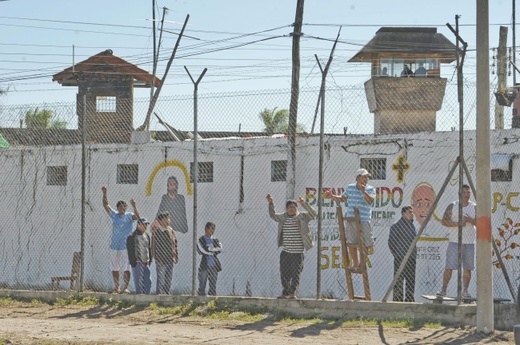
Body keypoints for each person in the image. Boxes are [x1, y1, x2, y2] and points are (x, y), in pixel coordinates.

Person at [267, 194, 317, 299]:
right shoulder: (283, 217)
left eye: (294, 207)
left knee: (296, 274)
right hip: (286, 252)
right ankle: (285, 292)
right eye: (290, 207)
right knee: (284, 273)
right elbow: (273, 215)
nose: (292, 209)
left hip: (298, 253)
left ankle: (293, 293)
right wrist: (271, 203)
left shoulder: (302, 217)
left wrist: (304, 204)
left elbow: (314, 213)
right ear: (286, 209)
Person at [325, 168, 376, 272]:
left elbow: (370, 201)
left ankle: (362, 265)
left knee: (365, 243)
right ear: (357, 178)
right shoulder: (350, 187)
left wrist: (364, 192)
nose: (366, 179)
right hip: (351, 218)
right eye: (364, 176)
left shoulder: (370, 189)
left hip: (364, 219)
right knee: (351, 242)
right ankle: (356, 264)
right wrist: (332, 196)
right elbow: (343, 198)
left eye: (367, 177)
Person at [436, 184, 476, 299]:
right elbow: (444, 221)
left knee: (467, 268)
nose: (467, 195)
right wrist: (458, 224)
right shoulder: (453, 206)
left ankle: (465, 291)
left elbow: (479, 223)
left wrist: (471, 220)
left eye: (468, 192)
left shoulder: (474, 207)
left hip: (469, 242)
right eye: (464, 192)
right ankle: (443, 290)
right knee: (449, 266)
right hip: (454, 241)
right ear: (459, 194)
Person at [102, 186, 139, 294]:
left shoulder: (129, 216)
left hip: (125, 246)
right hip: (114, 246)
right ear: (117, 208)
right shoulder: (115, 215)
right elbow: (106, 205)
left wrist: (134, 206)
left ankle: (125, 287)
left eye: (124, 206)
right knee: (115, 267)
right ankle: (117, 287)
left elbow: (137, 216)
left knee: (126, 267)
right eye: (120, 206)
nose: (123, 208)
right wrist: (105, 193)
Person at [388, 206, 417, 302]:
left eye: (412, 212)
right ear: (403, 213)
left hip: (411, 258)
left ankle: (409, 299)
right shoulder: (397, 226)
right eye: (409, 212)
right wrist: (397, 254)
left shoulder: (412, 226)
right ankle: (398, 300)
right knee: (399, 280)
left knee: (410, 280)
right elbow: (391, 243)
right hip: (400, 257)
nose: (412, 214)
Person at [152, 211, 179, 294]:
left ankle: (167, 294)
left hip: (170, 259)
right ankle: (159, 296)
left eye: (168, 218)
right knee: (161, 280)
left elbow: (175, 243)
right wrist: (157, 259)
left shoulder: (171, 230)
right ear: (160, 221)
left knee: (168, 279)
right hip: (161, 261)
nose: (168, 220)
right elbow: (153, 247)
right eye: (165, 219)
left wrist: (176, 256)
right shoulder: (157, 232)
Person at [127, 217, 152, 294]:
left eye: (146, 225)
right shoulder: (132, 236)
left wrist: (150, 260)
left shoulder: (147, 235)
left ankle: (146, 297)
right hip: (137, 262)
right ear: (138, 225)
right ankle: (139, 298)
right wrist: (133, 263)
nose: (145, 226)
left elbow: (149, 248)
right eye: (143, 225)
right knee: (139, 282)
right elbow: (130, 251)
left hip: (146, 262)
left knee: (148, 282)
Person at [197, 222, 222, 296]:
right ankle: (201, 297)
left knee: (213, 283)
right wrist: (212, 251)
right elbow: (201, 250)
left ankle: (212, 297)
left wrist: (210, 250)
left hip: (214, 265)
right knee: (202, 282)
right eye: (212, 228)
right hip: (204, 265)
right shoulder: (201, 239)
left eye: (214, 229)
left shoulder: (215, 240)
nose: (213, 231)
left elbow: (220, 249)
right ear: (206, 229)